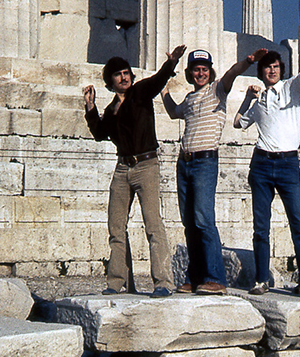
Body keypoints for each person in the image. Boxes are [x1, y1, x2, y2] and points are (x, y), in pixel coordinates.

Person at [233, 46, 300, 302]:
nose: (271, 70)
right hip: (261, 163)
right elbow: (238, 122)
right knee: (261, 227)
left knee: (299, 225)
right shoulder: (259, 101)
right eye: (267, 67)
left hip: (287, 164)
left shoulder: (291, 88)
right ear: (261, 72)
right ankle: (261, 279)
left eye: (275, 67)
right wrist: (248, 98)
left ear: (281, 70)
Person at [161, 48, 268, 295]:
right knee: (189, 223)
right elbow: (172, 111)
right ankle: (196, 277)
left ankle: (216, 278)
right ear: (189, 73)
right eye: (196, 69)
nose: (200, 73)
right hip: (184, 162)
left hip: (204, 162)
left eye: (204, 69)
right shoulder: (189, 99)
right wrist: (163, 90)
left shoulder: (217, 90)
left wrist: (249, 60)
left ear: (210, 72)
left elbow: (232, 73)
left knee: (203, 220)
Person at [83, 45, 186, 298]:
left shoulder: (140, 93)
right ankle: (118, 282)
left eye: (127, 72)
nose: (124, 77)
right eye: (118, 74)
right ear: (110, 81)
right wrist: (90, 108)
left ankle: (163, 282)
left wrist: (171, 62)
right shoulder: (111, 109)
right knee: (116, 227)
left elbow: (157, 81)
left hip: (146, 166)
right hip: (122, 169)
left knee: (153, 225)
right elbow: (99, 133)